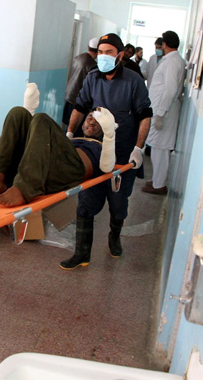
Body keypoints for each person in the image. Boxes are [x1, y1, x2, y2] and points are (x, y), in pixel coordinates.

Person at [63, 33, 152, 270]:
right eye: (100, 52)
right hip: (95, 150)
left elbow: (145, 115)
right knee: (86, 201)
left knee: (118, 203)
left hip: (122, 155)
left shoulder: (133, 81)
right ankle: (82, 253)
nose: (103, 56)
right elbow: (80, 107)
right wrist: (69, 134)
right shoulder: (92, 78)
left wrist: (138, 148)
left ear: (120, 55)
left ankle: (114, 236)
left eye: (109, 52)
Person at [0, 105, 117, 208]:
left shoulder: (102, 148)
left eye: (98, 121)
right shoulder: (71, 141)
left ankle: (24, 189)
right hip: (44, 166)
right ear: (82, 126)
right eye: (90, 118)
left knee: (42, 119)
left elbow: (107, 167)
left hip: (71, 169)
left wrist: (109, 135)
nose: (92, 121)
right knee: (18, 113)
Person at [143, 31, 186, 195]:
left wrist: (160, 114)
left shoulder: (172, 62)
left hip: (164, 113)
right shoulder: (173, 60)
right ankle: (156, 181)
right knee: (156, 147)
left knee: (160, 149)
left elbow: (170, 89)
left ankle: (159, 184)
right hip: (163, 110)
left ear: (165, 44)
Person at [62, 37, 98, 130]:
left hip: (69, 95)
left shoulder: (78, 57)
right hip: (78, 100)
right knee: (75, 127)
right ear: (98, 51)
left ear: (88, 47)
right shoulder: (92, 65)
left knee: (68, 125)